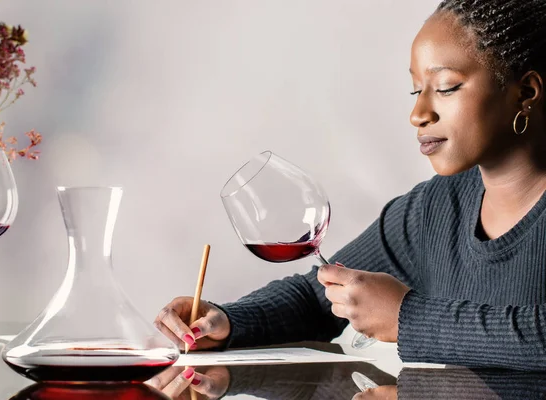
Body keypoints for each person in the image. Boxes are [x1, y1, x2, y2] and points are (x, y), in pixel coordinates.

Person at [153, 0, 546, 394]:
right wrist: (226, 322)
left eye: (445, 87)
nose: (418, 113)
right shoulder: (434, 208)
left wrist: (408, 319)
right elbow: (318, 296)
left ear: (525, 92)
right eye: (416, 89)